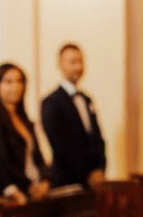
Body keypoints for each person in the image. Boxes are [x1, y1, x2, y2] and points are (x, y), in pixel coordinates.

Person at [41, 44, 106, 189]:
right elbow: (59, 145)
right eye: (73, 62)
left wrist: (100, 169)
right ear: (60, 64)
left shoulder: (87, 99)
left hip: (93, 183)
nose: (78, 67)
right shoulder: (51, 102)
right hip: (66, 181)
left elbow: (97, 139)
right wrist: (86, 175)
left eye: (81, 61)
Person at [0, 63, 51, 204]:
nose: (16, 87)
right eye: (8, 82)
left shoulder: (26, 121)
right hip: (12, 195)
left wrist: (45, 181)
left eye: (19, 81)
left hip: (34, 191)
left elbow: (38, 157)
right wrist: (14, 189)